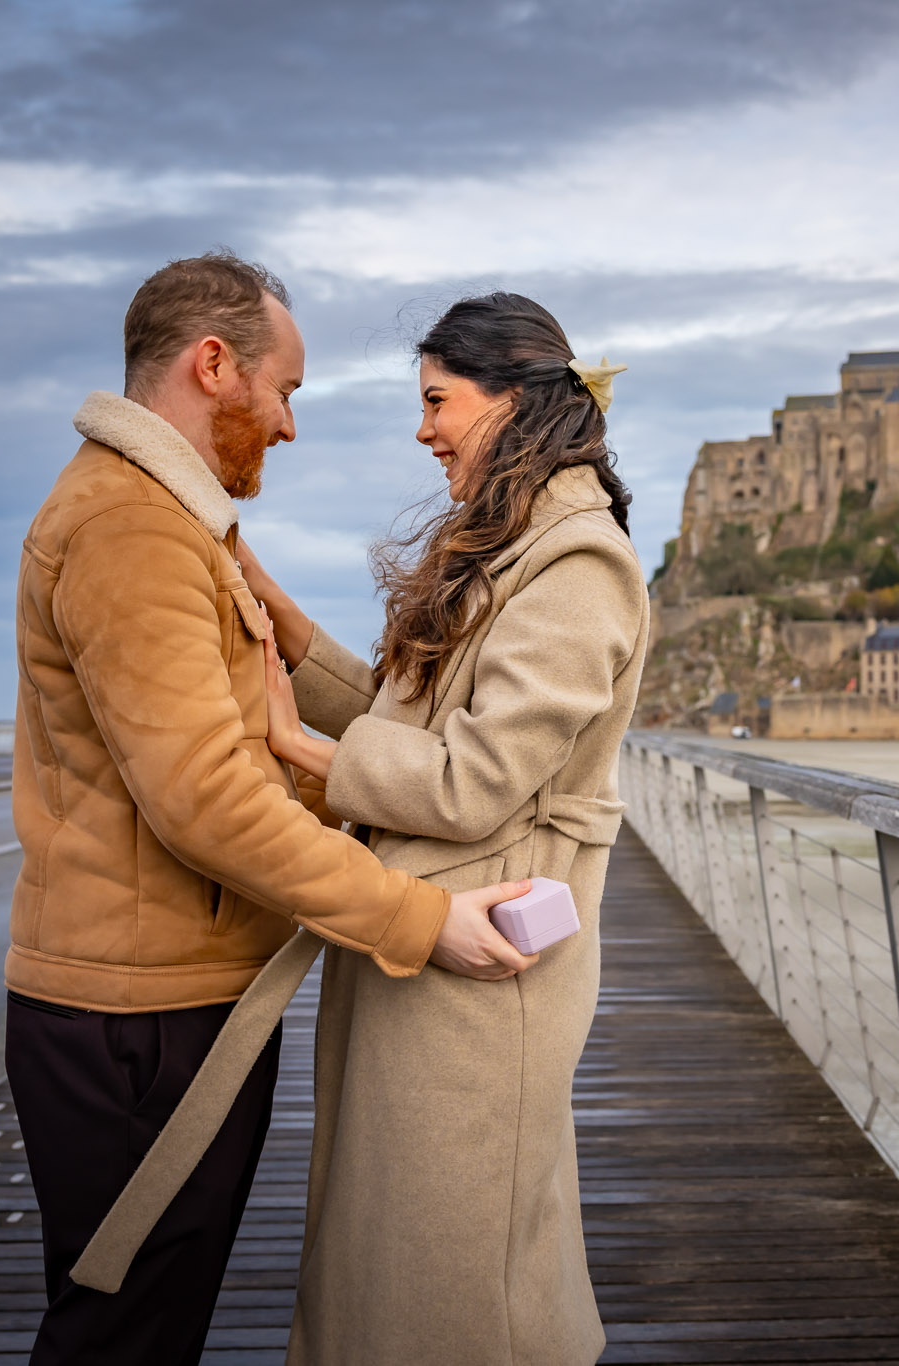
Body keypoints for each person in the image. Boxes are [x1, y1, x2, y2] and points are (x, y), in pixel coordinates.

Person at [6, 252, 534, 1366]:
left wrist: (291, 648)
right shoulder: (134, 528)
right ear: (214, 367)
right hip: (135, 1025)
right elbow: (205, 801)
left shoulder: (171, 519)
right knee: (123, 1334)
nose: (288, 425)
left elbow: (244, 739)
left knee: (143, 1322)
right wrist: (418, 920)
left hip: (164, 1006)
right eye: (283, 390)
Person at [239, 291, 649, 1365]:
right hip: (435, 949)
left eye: (437, 401)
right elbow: (406, 720)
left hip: (480, 970)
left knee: (451, 1282)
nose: (423, 430)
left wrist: (302, 753)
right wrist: (286, 629)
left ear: (512, 402)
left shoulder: (578, 564)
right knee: (413, 1260)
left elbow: (471, 780)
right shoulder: (518, 543)